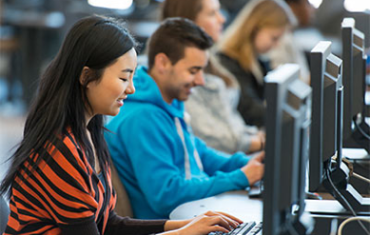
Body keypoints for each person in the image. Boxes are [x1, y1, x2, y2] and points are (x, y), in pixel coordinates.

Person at [0, 15, 244, 235]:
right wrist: (182, 234)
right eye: (123, 77)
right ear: (86, 77)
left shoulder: (90, 132)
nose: (131, 88)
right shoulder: (59, 150)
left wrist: (185, 224)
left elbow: (109, 224)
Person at [105, 17, 265, 220]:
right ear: (163, 62)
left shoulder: (169, 103)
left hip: (194, 214)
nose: (200, 81)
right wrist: (240, 177)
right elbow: (167, 195)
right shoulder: (142, 119)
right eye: (193, 71)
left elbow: (200, 154)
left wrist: (246, 163)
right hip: (173, 223)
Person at [161, 0, 265, 154]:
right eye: (212, 13)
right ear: (189, 21)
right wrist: (260, 142)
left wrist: (256, 136)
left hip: (233, 157)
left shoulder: (212, 61)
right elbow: (207, 136)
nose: (222, 19)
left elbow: (230, 122)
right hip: (219, 162)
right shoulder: (178, 73)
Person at [217, 0, 294, 127]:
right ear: (255, 29)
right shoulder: (227, 62)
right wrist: (286, 119)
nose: (277, 44)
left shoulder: (258, 60)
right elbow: (249, 110)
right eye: (274, 38)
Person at [267, 0, 314, 84]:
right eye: (307, 4)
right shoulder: (281, 40)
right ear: (292, 7)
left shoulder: (290, 36)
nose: (312, 9)